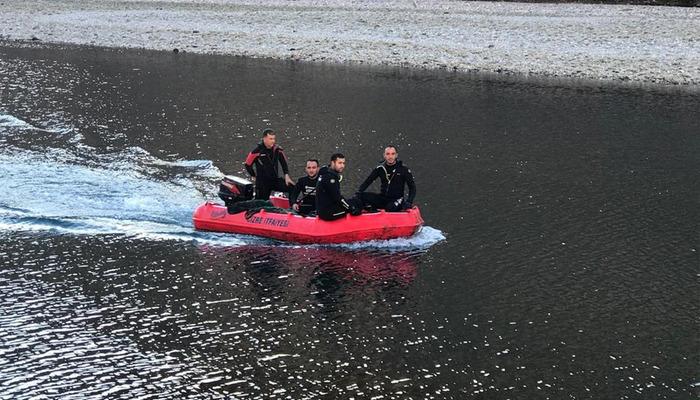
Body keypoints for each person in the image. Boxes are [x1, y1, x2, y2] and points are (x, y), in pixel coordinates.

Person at [357, 145, 416, 212]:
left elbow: (412, 187)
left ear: (396, 155)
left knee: (390, 208)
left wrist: (409, 201)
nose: (390, 157)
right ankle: (371, 212)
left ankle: (378, 211)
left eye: (392, 154)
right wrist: (358, 193)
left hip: (397, 199)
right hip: (383, 198)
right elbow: (367, 182)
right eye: (388, 154)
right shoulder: (380, 169)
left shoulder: (403, 169)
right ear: (384, 155)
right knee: (361, 196)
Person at [244, 128, 295, 205]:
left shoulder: (277, 149)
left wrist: (286, 175)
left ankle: (293, 209)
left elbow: (284, 163)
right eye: (270, 139)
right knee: (261, 204)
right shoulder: (256, 151)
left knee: (293, 188)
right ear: (264, 139)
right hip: (262, 184)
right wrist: (253, 175)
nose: (273, 141)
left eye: (274, 139)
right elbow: (247, 164)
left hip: (274, 180)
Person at [316, 153, 361, 221]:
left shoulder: (325, 170)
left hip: (325, 206)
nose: (342, 166)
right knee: (356, 206)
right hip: (327, 213)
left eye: (343, 163)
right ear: (332, 163)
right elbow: (338, 198)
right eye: (339, 163)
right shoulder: (331, 179)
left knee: (355, 201)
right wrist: (352, 208)